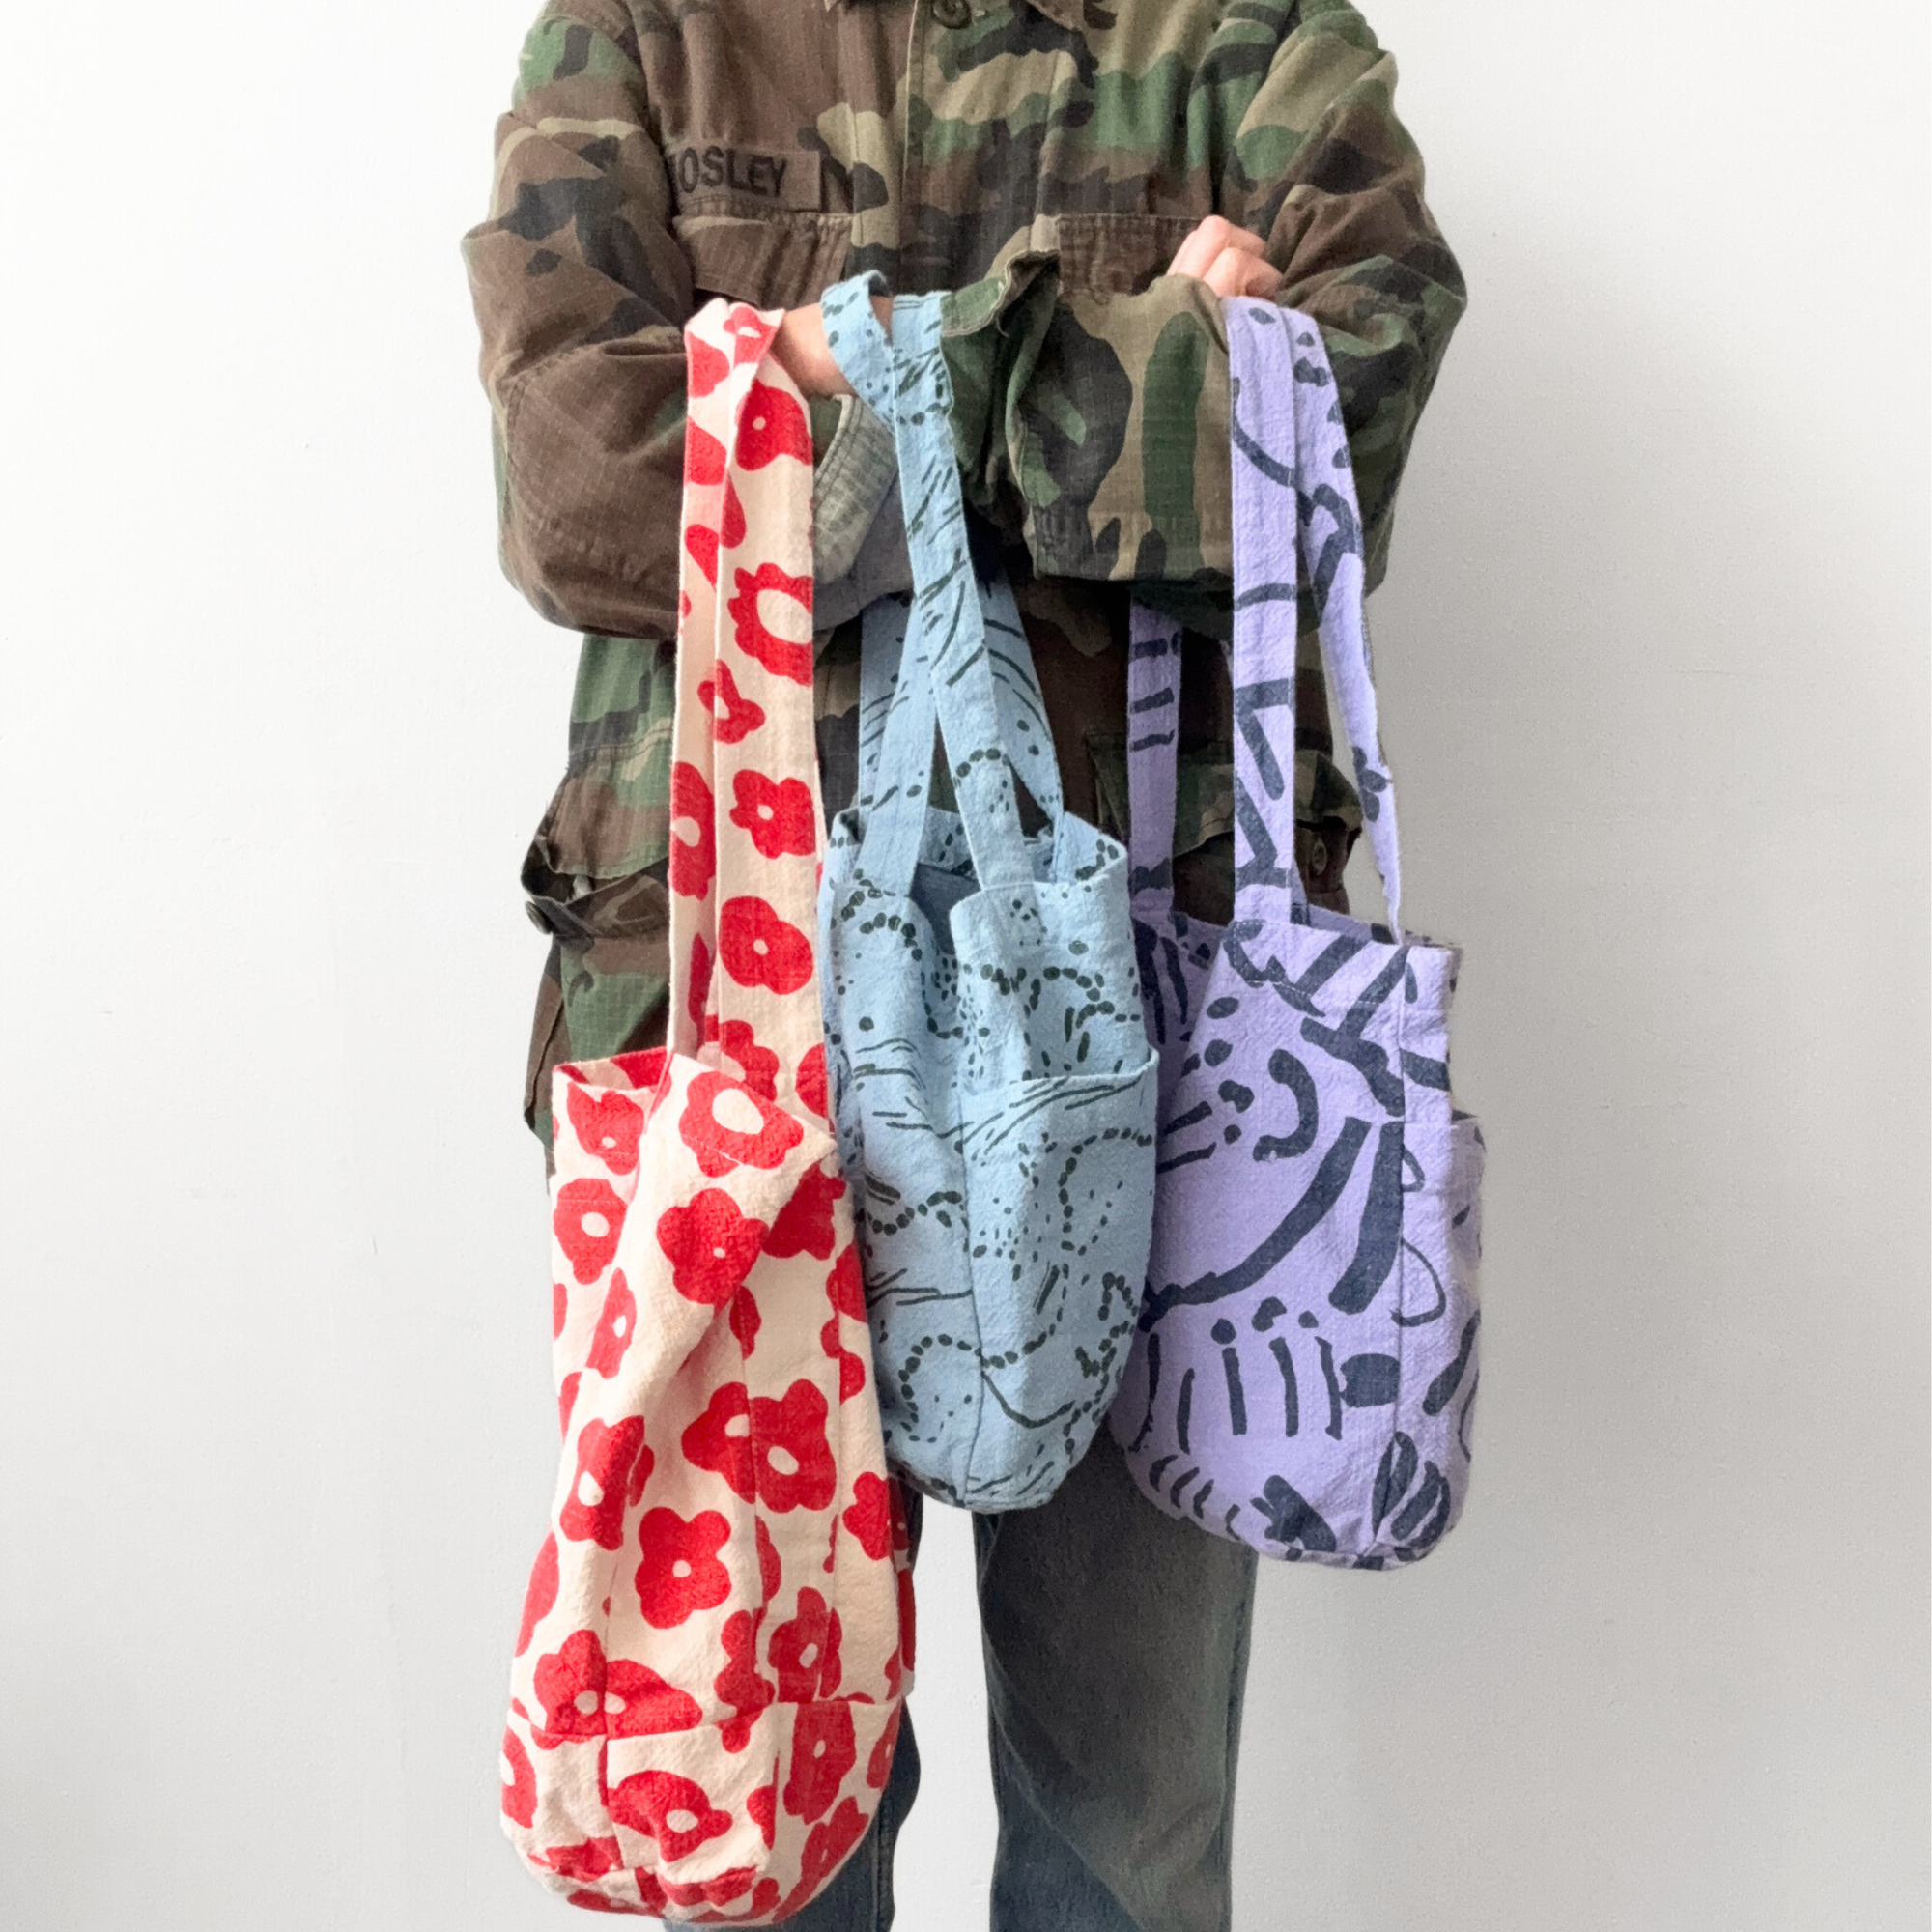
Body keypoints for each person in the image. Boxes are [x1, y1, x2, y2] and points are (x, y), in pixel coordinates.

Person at [465, 4, 1462, 1924]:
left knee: (1128, 1822)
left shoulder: (1245, 36)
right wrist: (1142, 357)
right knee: (751, 1796)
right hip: (725, 1051)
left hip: (1160, 1048)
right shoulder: (642, 35)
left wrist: (815, 377)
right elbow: (578, 488)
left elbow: (1335, 434)